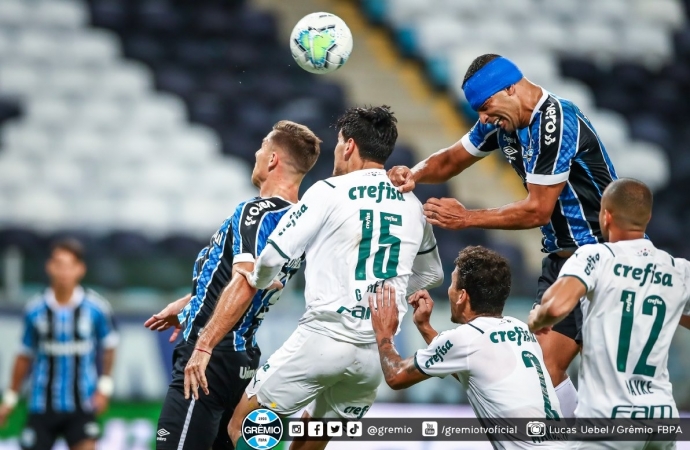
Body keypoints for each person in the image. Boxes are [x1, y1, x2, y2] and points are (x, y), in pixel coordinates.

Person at [388, 53, 619, 416]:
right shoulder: (502, 122)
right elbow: (450, 160)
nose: (482, 118)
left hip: (605, 257)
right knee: (544, 370)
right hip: (564, 261)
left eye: (485, 107)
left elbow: (538, 209)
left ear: (510, 88)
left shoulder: (555, 122)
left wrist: (466, 218)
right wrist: (414, 174)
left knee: (613, 377)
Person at [228, 105, 444, 450]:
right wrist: (388, 293)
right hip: (374, 355)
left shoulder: (329, 191)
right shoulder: (412, 204)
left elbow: (272, 255)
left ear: (350, 146)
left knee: (242, 428)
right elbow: (432, 273)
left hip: (321, 341)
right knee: (313, 438)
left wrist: (257, 279)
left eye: (338, 142)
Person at [144, 121, 321, 450]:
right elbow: (258, 283)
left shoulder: (257, 210)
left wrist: (203, 346)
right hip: (241, 359)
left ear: (272, 160)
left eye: (262, 147)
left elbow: (246, 282)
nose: (255, 153)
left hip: (212, 357)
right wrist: (191, 302)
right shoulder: (299, 224)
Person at [529, 179, 690, 449]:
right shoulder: (678, 268)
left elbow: (556, 306)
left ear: (606, 215)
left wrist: (538, 318)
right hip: (661, 416)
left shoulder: (595, 256)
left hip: (609, 418)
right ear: (647, 217)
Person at [369, 246, 566, 449]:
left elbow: (396, 375)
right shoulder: (520, 329)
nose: (449, 289)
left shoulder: (467, 338)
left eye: (453, 283)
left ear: (462, 295)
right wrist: (425, 327)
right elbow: (473, 372)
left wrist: (384, 333)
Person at [0, 239, 118, 450]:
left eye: (69, 265)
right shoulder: (35, 310)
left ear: (80, 269)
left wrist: (104, 388)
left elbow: (109, 346)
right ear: (49, 267)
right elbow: (23, 355)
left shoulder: (96, 308)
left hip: (82, 404)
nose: (64, 272)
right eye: (59, 265)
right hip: (42, 405)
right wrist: (9, 399)